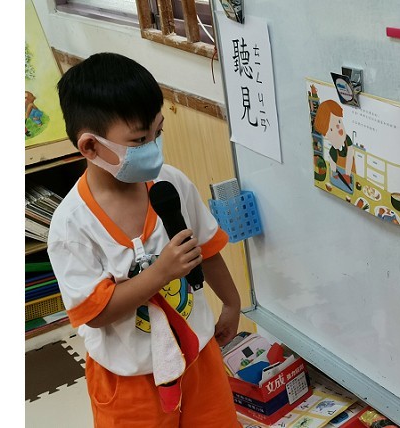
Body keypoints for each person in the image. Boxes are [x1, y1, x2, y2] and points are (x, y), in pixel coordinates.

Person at [47, 52, 242, 427]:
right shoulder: (71, 226)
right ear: (90, 147)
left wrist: (232, 304)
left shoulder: (171, 183)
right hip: (130, 381)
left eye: (158, 133)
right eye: (139, 140)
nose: (153, 147)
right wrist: (161, 273)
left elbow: (205, 248)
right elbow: (96, 313)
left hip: (198, 357)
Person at [313, 99, 356, 193]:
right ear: (326, 135)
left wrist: (347, 174)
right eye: (331, 129)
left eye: (339, 122)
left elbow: (349, 157)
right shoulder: (333, 151)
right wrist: (334, 172)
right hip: (340, 178)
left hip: (351, 173)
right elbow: (332, 164)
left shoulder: (347, 140)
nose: (339, 128)